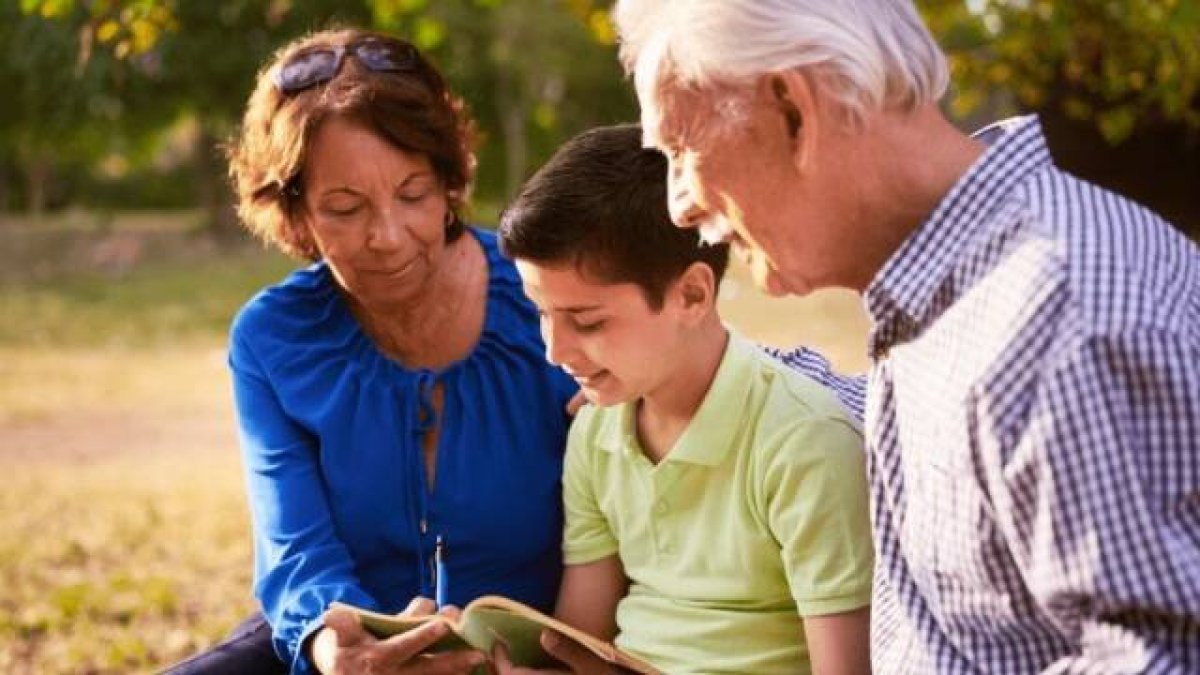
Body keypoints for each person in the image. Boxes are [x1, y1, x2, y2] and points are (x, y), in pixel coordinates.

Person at [614, 1, 1200, 673]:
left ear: (793, 110)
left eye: (682, 148)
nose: (678, 203)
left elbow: (1167, 656)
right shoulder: (952, 299)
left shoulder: (1057, 316)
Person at [165, 28, 580, 675]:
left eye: (413, 193)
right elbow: (297, 550)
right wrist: (337, 649)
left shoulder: (551, 296)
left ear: (449, 181)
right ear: (295, 213)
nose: (387, 235)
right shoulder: (272, 338)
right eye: (345, 206)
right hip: (338, 644)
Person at [496, 124, 875, 675]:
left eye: (586, 320)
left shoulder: (805, 442)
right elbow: (578, 643)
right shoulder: (596, 432)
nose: (555, 351)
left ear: (693, 295)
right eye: (542, 314)